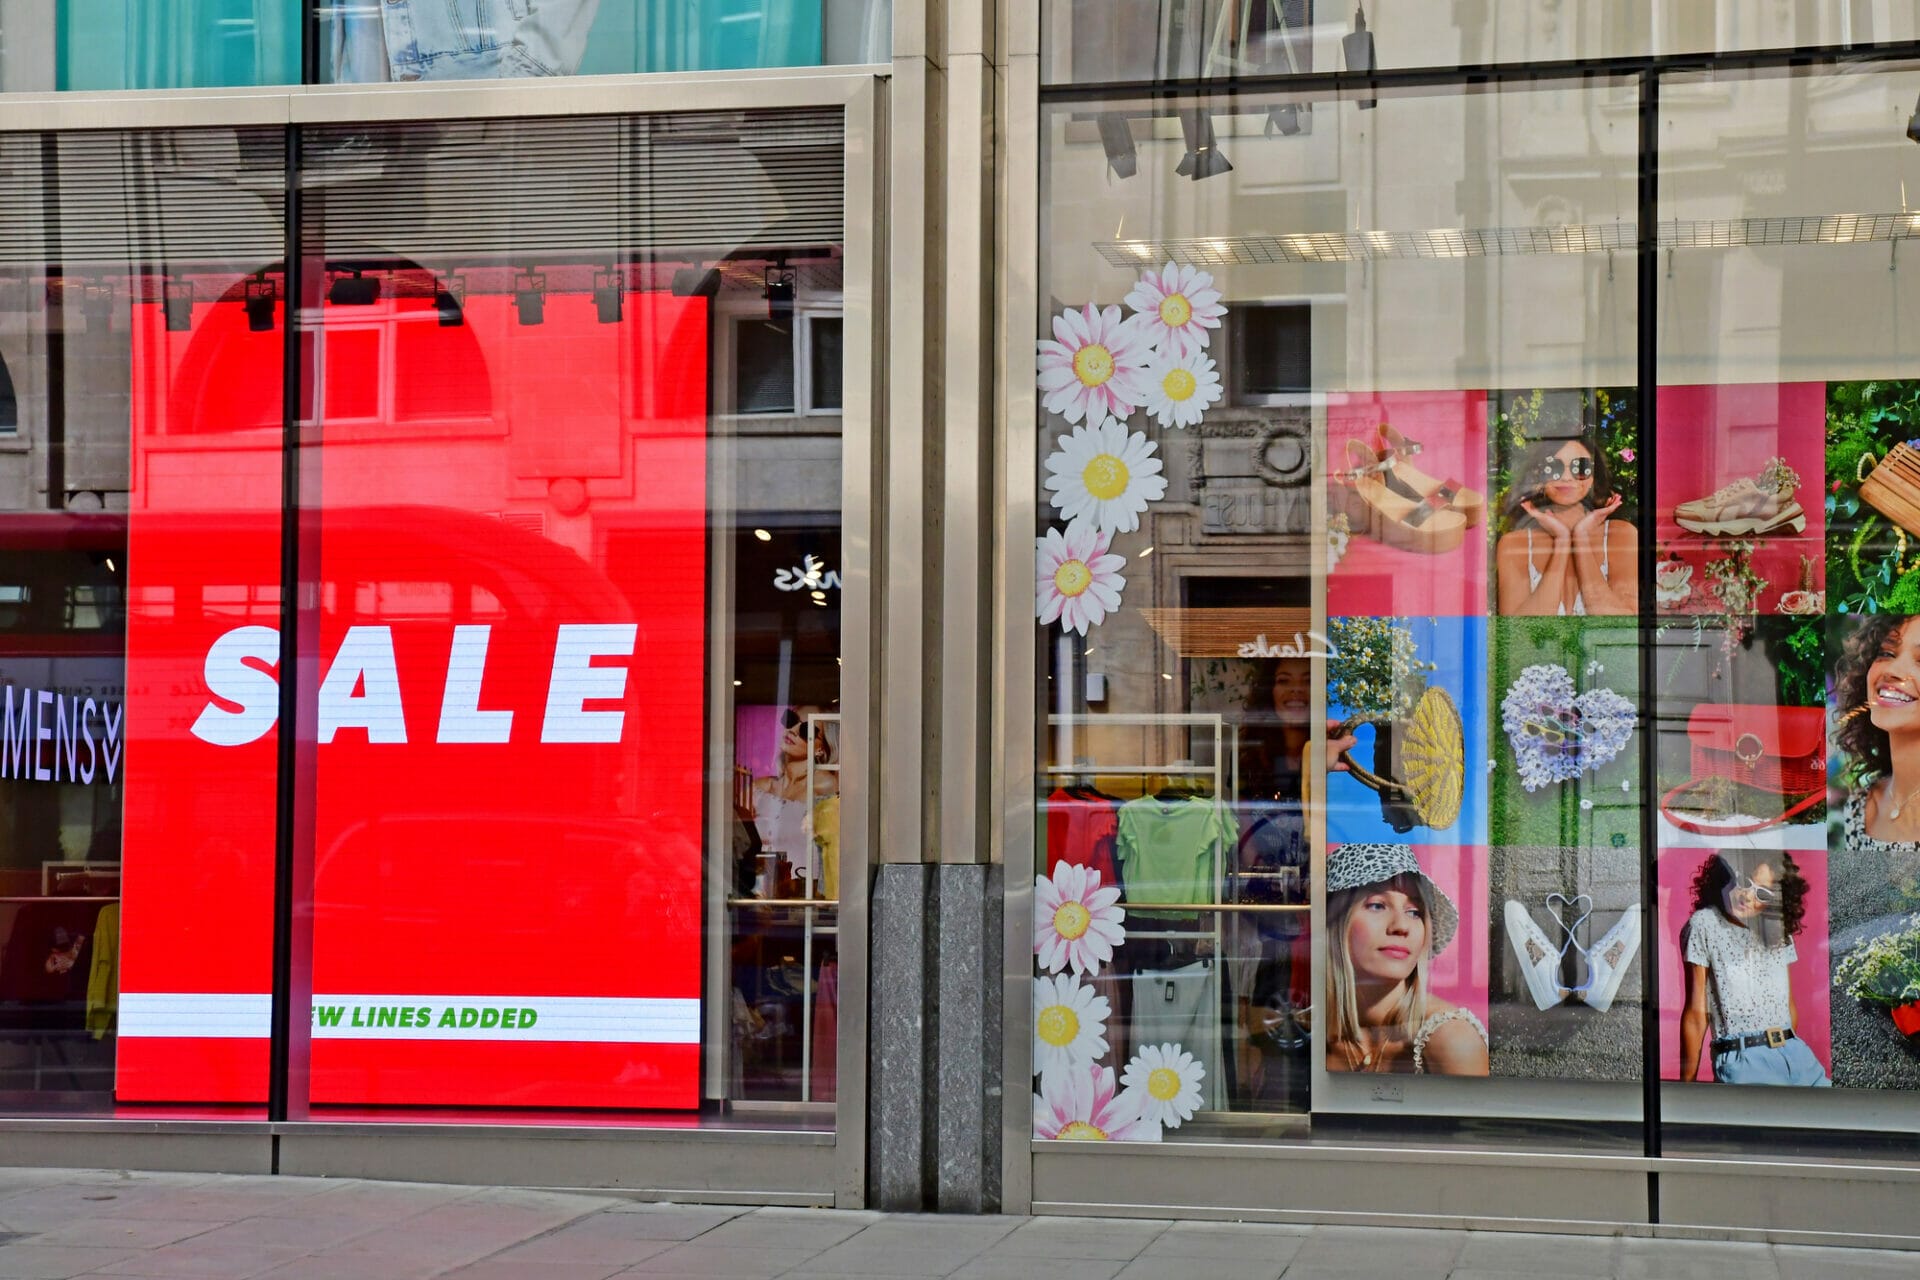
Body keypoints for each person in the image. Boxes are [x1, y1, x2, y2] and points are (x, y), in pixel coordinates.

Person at [1324, 843, 1488, 1076]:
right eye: (1378, 906)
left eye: (1414, 912)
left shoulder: (1451, 1039)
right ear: (1336, 923)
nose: (1401, 926)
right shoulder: (1305, 1039)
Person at [1678, 850, 1827, 1086]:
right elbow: (1697, 1013)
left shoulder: (1776, 929)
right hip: (1744, 1060)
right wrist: (1686, 1085)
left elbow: (1788, 1004)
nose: (1747, 896)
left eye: (1762, 893)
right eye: (1744, 882)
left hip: (1797, 1056)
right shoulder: (1704, 923)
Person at [1495, 428, 1637, 616]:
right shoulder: (1514, 544)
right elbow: (1519, 636)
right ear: (1539, 476)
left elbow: (1619, 627)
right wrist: (1562, 541)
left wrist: (1581, 538)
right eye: (1554, 468)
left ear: (1594, 476)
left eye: (1580, 468)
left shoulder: (1620, 535)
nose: (1567, 477)